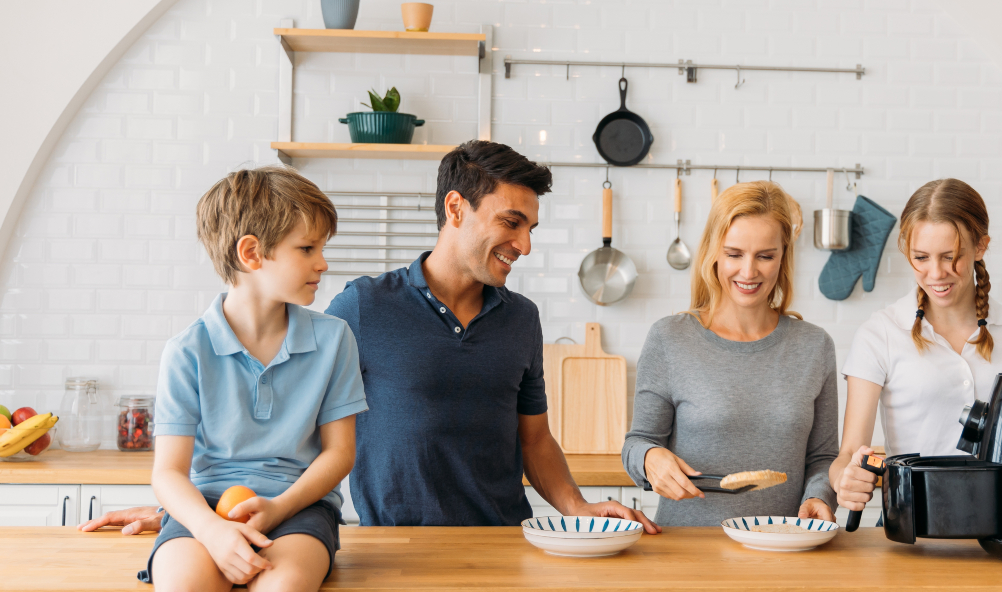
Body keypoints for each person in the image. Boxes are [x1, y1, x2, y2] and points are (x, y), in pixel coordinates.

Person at [81, 140, 657, 535]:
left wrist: (579, 506)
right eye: (512, 222)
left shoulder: (522, 318)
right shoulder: (360, 307)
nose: (525, 245)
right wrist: (197, 513)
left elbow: (534, 441)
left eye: (531, 228)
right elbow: (287, 430)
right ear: (456, 208)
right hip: (390, 544)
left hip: (501, 541)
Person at [144, 166, 366, 592]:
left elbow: (341, 454)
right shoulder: (187, 351)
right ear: (251, 253)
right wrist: (211, 530)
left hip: (300, 508)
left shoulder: (334, 339)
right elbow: (167, 473)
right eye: (307, 248)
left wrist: (279, 507)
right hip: (203, 511)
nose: (322, 263)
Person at [622, 181, 839, 526]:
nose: (749, 271)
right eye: (734, 254)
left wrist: (819, 495)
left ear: (783, 257)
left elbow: (823, 457)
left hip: (784, 547)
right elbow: (638, 442)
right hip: (689, 550)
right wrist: (650, 458)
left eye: (765, 256)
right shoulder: (670, 338)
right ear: (713, 253)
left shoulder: (814, 346)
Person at [831, 178, 1002, 519]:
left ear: (981, 246)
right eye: (921, 257)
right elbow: (848, 454)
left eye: (951, 257)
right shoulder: (880, 334)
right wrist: (844, 480)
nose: (936, 273)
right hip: (910, 526)